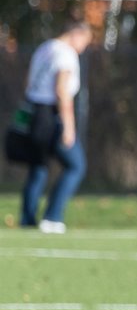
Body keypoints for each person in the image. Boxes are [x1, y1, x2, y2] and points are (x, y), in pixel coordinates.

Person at [20, 20, 93, 234]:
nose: (83, 49)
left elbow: (27, 83)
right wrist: (69, 126)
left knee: (38, 167)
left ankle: (27, 219)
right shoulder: (65, 53)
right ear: (76, 34)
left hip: (34, 112)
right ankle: (52, 217)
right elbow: (61, 90)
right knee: (75, 165)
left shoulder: (44, 48)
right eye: (85, 43)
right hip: (52, 115)